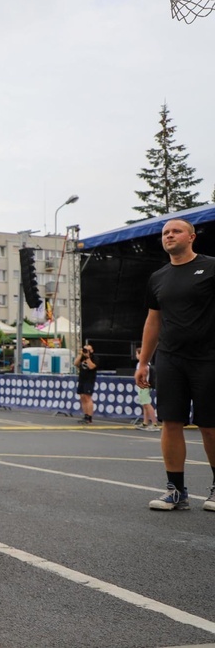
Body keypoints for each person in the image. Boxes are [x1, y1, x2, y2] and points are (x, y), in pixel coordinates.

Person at [135, 218, 215, 512]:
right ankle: (176, 491)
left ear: (191, 236)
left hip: (208, 358)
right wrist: (143, 361)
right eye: (165, 232)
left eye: (176, 231)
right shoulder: (158, 277)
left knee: (209, 425)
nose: (169, 235)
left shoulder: (210, 267)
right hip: (169, 359)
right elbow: (152, 321)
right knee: (170, 423)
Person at [134, 346, 160, 432]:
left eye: (137, 354)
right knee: (144, 405)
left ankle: (154, 423)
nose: (136, 355)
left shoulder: (141, 365)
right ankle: (145, 422)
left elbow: (141, 375)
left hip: (144, 386)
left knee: (147, 404)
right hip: (145, 386)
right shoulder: (146, 364)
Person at [74, 343, 97, 424]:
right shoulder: (82, 357)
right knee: (82, 397)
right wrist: (80, 355)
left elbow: (92, 366)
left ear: (92, 350)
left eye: (87, 349)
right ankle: (86, 415)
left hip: (89, 380)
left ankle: (90, 417)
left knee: (88, 398)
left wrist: (87, 357)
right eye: (85, 349)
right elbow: (75, 363)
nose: (86, 351)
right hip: (82, 379)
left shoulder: (94, 358)